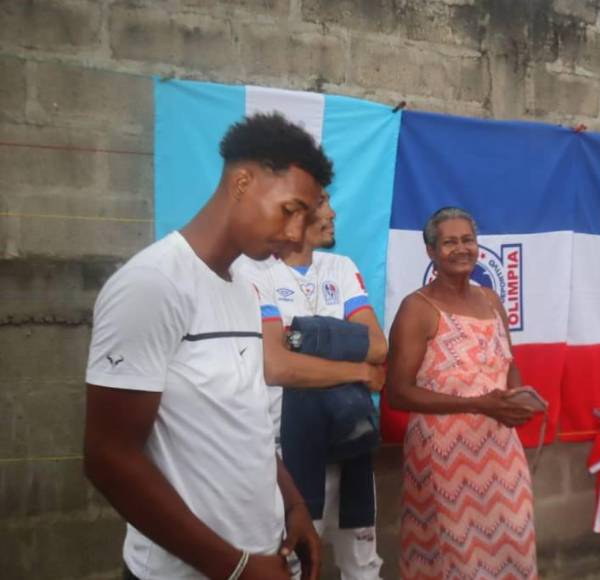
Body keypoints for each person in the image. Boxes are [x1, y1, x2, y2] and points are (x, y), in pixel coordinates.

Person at [84, 113, 331, 580]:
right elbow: (109, 459)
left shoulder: (242, 287)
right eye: (289, 210)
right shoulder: (153, 284)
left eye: (306, 219)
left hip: (264, 555)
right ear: (242, 182)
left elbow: (246, 421)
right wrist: (236, 568)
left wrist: (293, 505)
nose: (296, 234)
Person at [236, 194, 387, 579]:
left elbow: (377, 345)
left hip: (350, 436)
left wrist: (302, 338)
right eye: (322, 204)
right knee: (295, 564)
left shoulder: (341, 267)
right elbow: (277, 367)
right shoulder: (252, 272)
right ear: (293, 216)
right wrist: (357, 369)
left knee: (363, 565)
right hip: (287, 444)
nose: (333, 213)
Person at [386, 207, 539, 579]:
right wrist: (478, 405)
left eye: (468, 240)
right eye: (450, 242)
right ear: (431, 251)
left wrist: (519, 399)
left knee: (515, 542)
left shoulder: (491, 300)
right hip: (443, 453)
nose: (461, 249)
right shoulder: (417, 308)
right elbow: (398, 393)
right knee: (457, 555)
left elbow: (508, 363)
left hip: (500, 446)